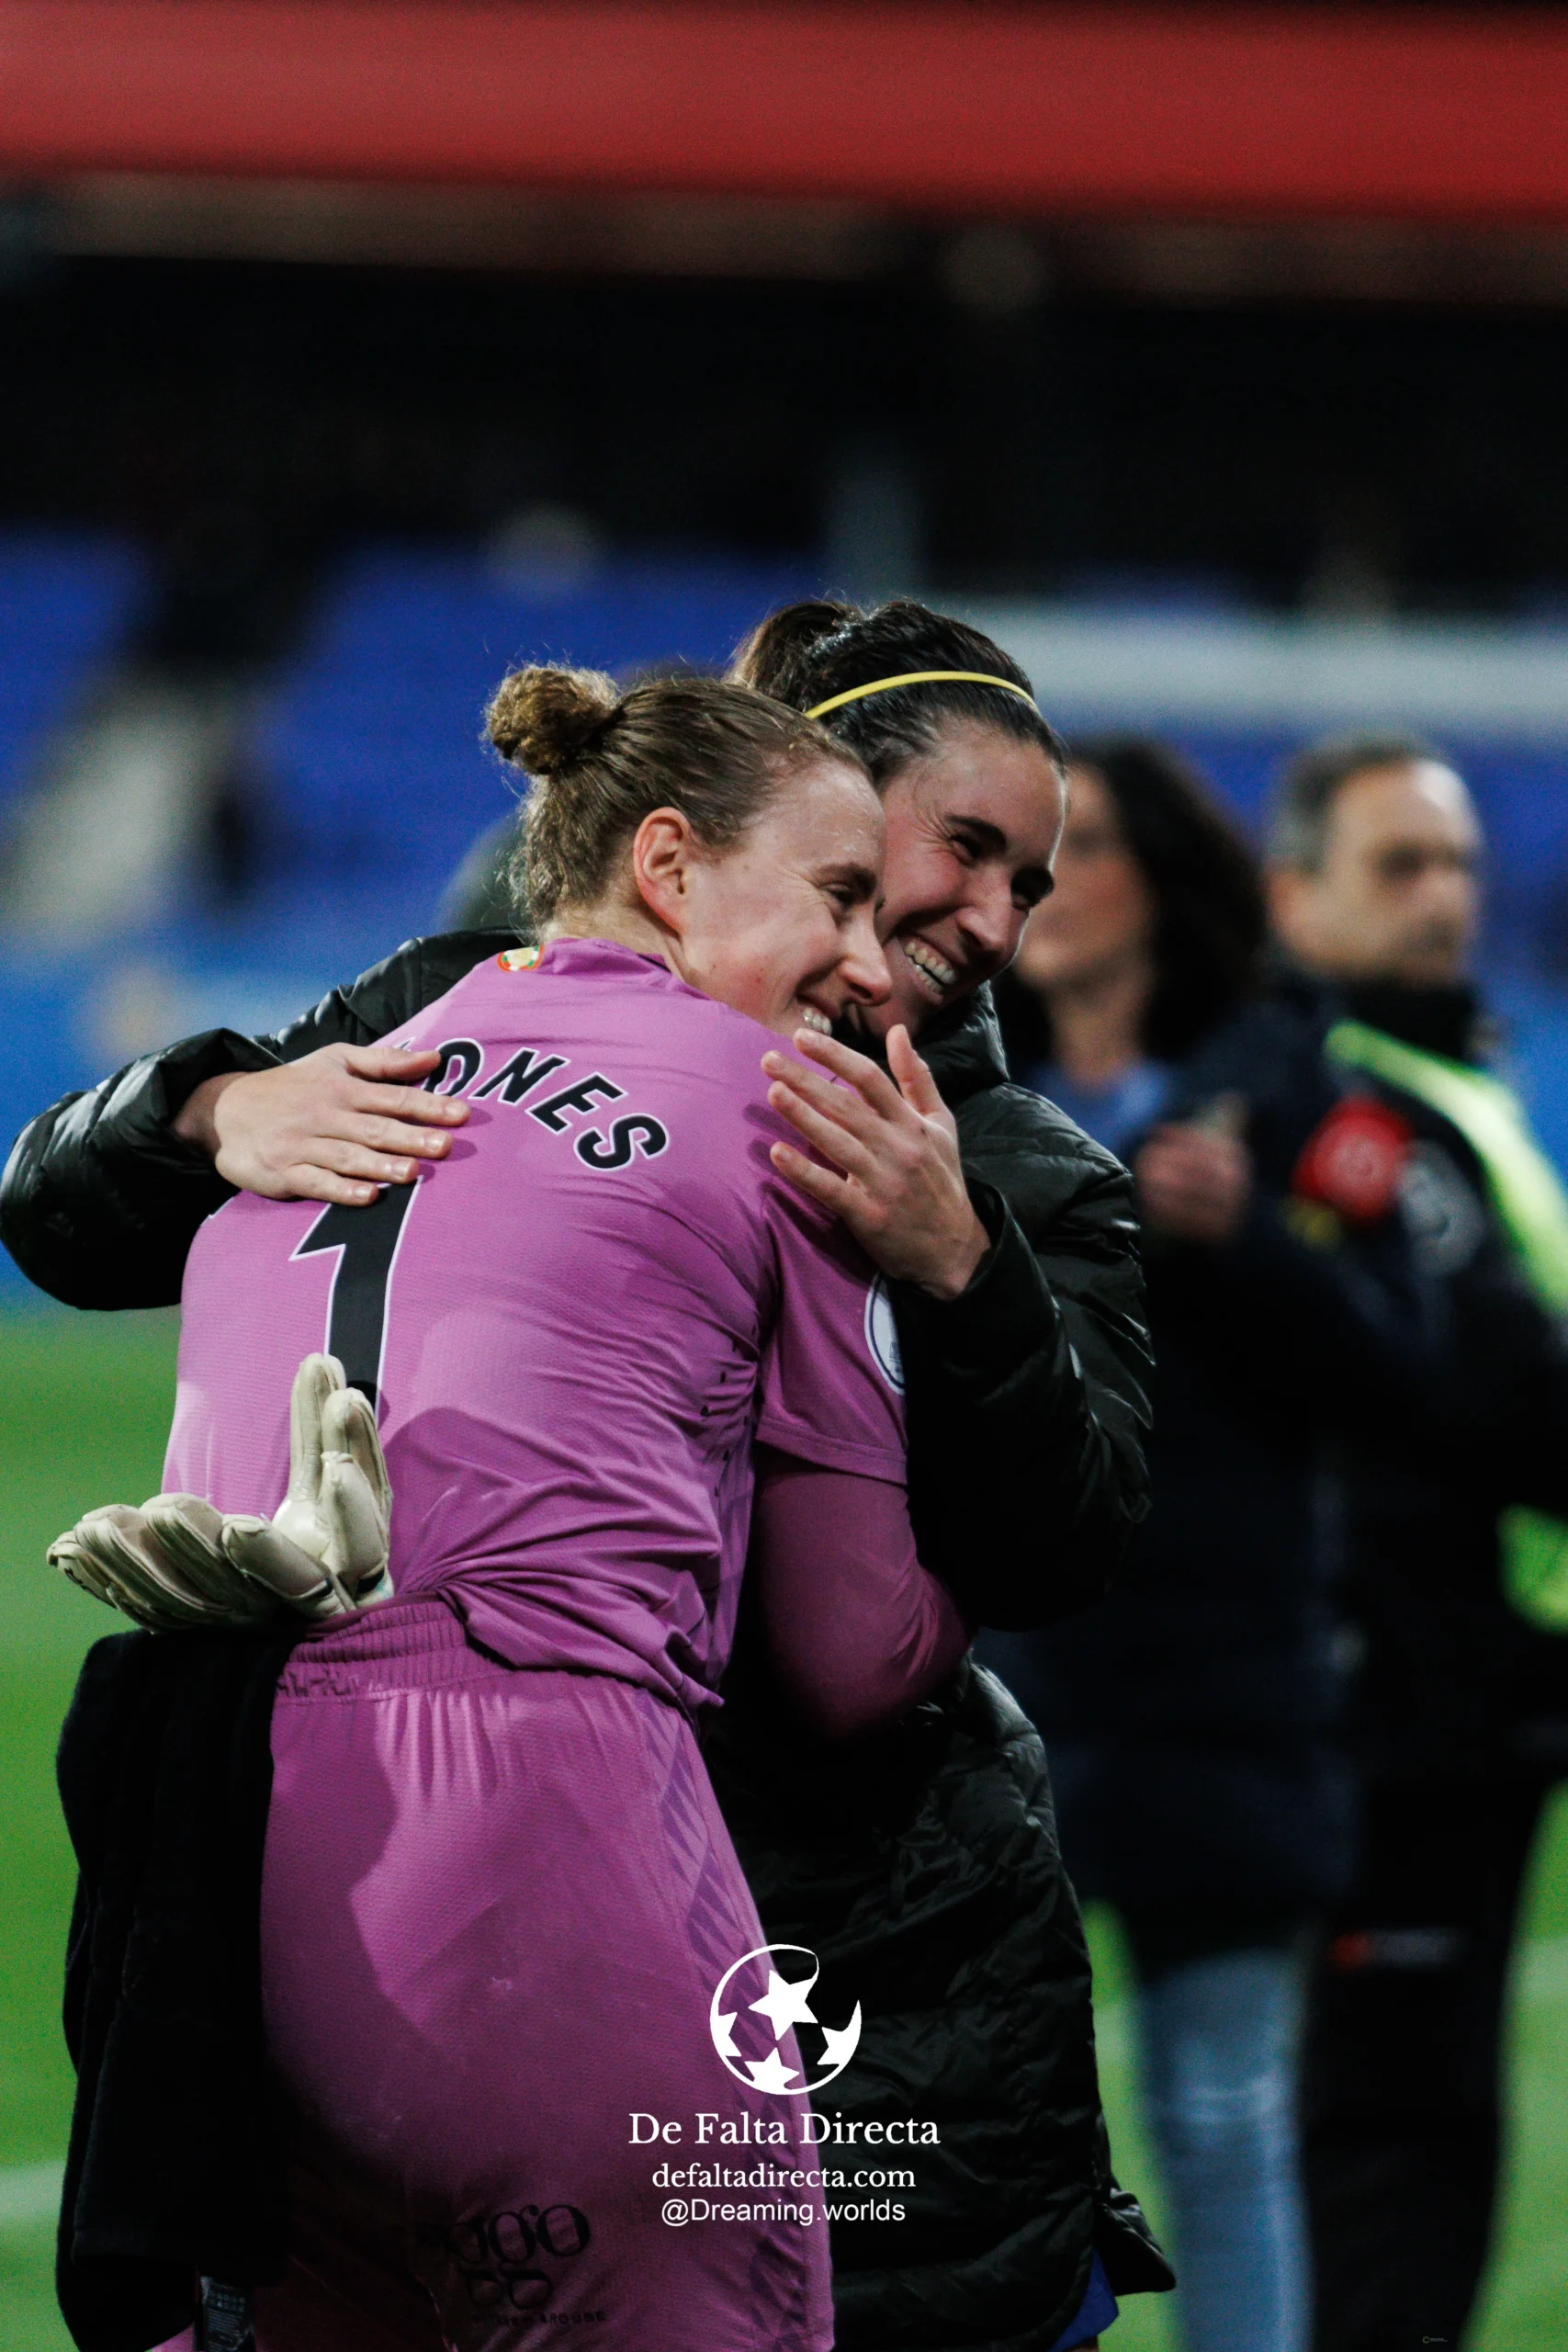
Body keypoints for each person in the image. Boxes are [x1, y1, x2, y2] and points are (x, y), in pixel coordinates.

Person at [3, 600, 1170, 2351]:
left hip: (830, 1948)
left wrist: (967, 1273)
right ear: (754, 825)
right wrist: (202, 1112)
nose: (995, 925)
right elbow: (54, 1214)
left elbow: (1071, 1538)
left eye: (1032, 883)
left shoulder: (1016, 1166)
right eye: (956, 855)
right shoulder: (417, 1017)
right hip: (531, 1876)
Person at [981, 738, 1444, 2352]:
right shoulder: (959, 1085)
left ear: (1161, 881)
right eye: (1016, 853)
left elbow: (1410, 1367)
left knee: (1222, 2113)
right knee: (976, 2136)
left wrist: (1246, 1241)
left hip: (1224, 1686)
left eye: (1078, 846)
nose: (1034, 883)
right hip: (1005, 1678)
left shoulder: (1295, 1089)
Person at [1265, 733, 1568, 2352]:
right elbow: (1502, 1381)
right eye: (1397, 866)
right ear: (1292, 894)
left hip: (1472, 1688)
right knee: (1393, 2130)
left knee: (1434, 2111)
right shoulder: (1343, 1100)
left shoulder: (1446, 1083)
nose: (1442, 898)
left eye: (1454, 863)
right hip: (1394, 1697)